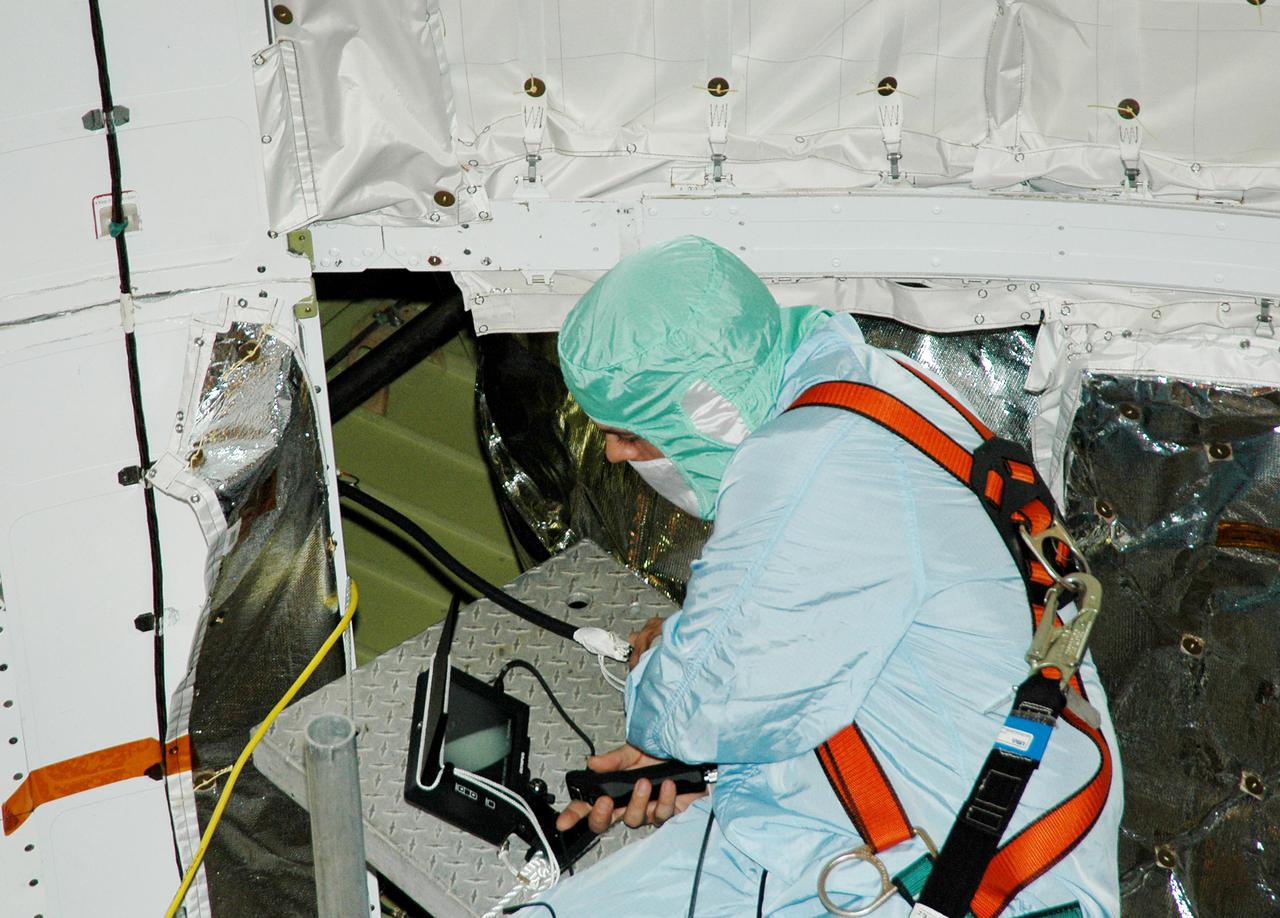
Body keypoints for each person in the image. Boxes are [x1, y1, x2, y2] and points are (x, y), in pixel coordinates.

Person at [539, 236, 1122, 917]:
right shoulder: (878, 394)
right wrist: (722, 771)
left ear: (702, 406)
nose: (611, 452)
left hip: (955, 884)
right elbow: (862, 685)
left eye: (629, 431)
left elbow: (685, 706)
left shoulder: (813, 455)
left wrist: (654, 664)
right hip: (903, 855)